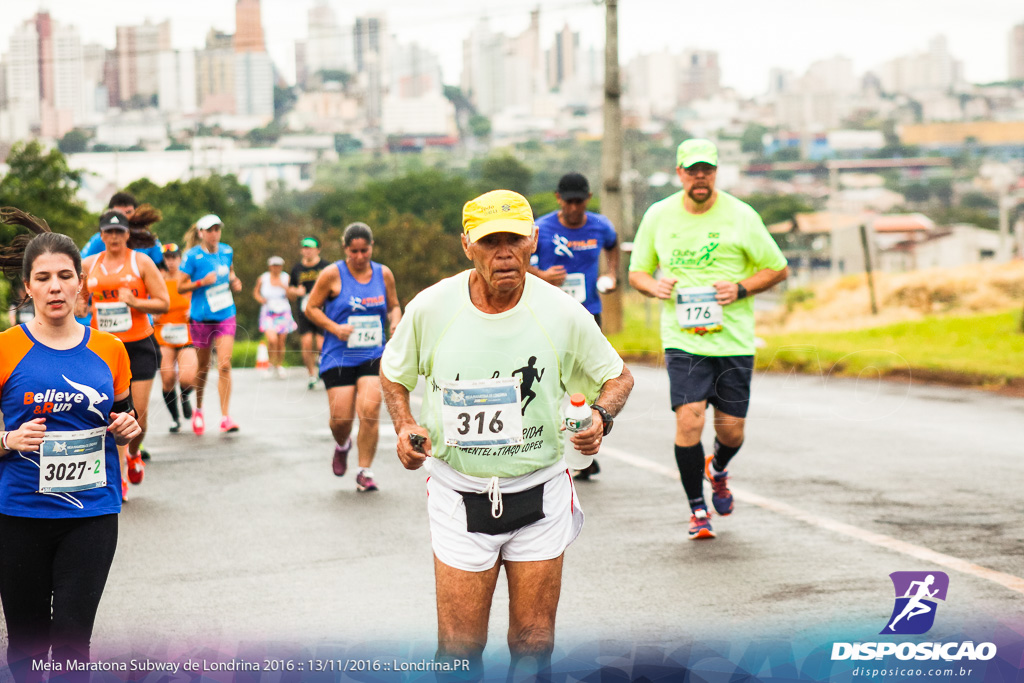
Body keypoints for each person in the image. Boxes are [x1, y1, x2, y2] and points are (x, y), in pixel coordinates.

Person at [380, 190, 633, 678]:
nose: (504, 252)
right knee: (459, 649)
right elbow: (394, 373)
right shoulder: (431, 308)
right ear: (466, 246)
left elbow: (617, 376)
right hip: (460, 494)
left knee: (534, 642)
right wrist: (405, 426)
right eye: (489, 241)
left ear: (533, 241)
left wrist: (601, 416)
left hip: (539, 493)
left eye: (514, 239)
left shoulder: (561, 312)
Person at [0, 210, 140, 683]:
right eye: (43, 278)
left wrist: (128, 430)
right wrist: (7, 439)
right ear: (28, 288)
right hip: (18, 514)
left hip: (92, 514)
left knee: (72, 638)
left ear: (82, 283)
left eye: (65, 276)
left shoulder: (110, 349)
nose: (55, 287)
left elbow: (127, 417)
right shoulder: (6, 349)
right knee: (26, 639)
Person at [628, 139, 788, 540]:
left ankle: (717, 467)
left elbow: (777, 267)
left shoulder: (741, 215)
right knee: (689, 420)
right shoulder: (659, 215)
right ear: (679, 173)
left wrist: (740, 288)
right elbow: (638, 272)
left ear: (716, 173)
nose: (700, 177)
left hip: (732, 341)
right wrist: (654, 287)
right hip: (683, 341)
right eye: (692, 170)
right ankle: (697, 509)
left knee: (732, 431)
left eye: (707, 170)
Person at [528, 172, 620, 481]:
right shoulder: (541, 228)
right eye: (568, 202)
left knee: (589, 383)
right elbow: (519, 262)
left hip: (588, 313)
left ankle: (584, 448)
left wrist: (612, 274)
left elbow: (613, 245)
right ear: (558, 198)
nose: (574, 208)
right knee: (552, 379)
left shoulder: (600, 225)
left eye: (579, 201)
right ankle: (549, 447)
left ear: (588, 198)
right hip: (549, 314)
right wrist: (541, 276)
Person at [305, 223, 400, 491]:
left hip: (372, 353)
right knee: (341, 421)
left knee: (370, 410)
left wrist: (396, 321)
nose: (359, 257)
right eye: (353, 251)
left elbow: (393, 305)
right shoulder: (331, 274)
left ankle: (364, 471)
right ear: (345, 248)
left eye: (364, 251)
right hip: (338, 355)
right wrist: (335, 328)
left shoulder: (384, 274)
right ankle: (342, 444)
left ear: (371, 247)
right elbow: (311, 308)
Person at [80, 211, 169, 495]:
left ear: (127, 234)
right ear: (101, 235)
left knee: (138, 416)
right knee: (112, 415)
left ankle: (133, 452)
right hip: (103, 349)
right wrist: (84, 308)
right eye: (109, 232)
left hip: (138, 345)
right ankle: (117, 474)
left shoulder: (140, 262)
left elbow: (163, 302)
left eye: (119, 232)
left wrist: (135, 302)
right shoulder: (88, 265)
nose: (114, 237)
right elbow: (78, 305)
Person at [177, 214, 243, 435]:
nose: (215, 233)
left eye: (217, 229)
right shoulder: (192, 257)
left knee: (224, 364)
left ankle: (225, 417)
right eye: (210, 230)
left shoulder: (226, 251)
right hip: (201, 317)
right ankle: (198, 408)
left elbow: (230, 271)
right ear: (201, 233)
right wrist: (200, 283)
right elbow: (180, 287)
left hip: (225, 313)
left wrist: (234, 280)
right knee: (203, 367)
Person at [153, 243, 197, 433]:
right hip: (163, 334)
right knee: (168, 377)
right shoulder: (157, 279)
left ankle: (185, 396)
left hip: (186, 333)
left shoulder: (186, 280)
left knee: (188, 378)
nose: (171, 261)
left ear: (180, 258)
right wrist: (151, 312)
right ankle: (175, 418)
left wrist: (193, 310)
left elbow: (201, 298)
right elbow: (148, 300)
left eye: (174, 257)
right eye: (168, 257)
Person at [287, 236, 329, 390]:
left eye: (310, 247)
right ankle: (311, 374)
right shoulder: (297, 269)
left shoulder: (325, 267)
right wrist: (296, 291)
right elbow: (289, 290)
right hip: (304, 310)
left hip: (322, 309)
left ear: (318, 250)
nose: (307, 250)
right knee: (306, 343)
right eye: (304, 247)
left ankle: (323, 369)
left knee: (321, 343)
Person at [81, 192, 164, 267]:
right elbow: (81, 264)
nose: (124, 218)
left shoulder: (146, 239)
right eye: (119, 213)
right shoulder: (99, 239)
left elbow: (163, 268)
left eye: (128, 212)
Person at [254, 255, 297, 378]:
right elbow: (256, 292)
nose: (276, 268)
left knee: (281, 341)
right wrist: (260, 299)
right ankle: (270, 363)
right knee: (272, 340)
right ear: (270, 266)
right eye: (274, 266)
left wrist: (283, 286)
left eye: (278, 266)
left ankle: (278, 364)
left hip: (283, 310)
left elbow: (293, 296)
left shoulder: (286, 278)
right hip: (268, 310)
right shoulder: (263, 278)